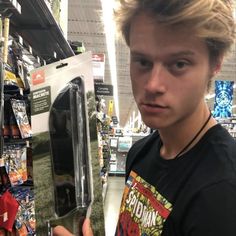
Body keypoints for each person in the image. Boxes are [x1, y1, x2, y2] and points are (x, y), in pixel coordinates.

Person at [54, 0, 236, 235]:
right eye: (142, 61)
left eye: (179, 64)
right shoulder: (140, 153)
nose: (152, 85)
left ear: (215, 63)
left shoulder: (223, 192)